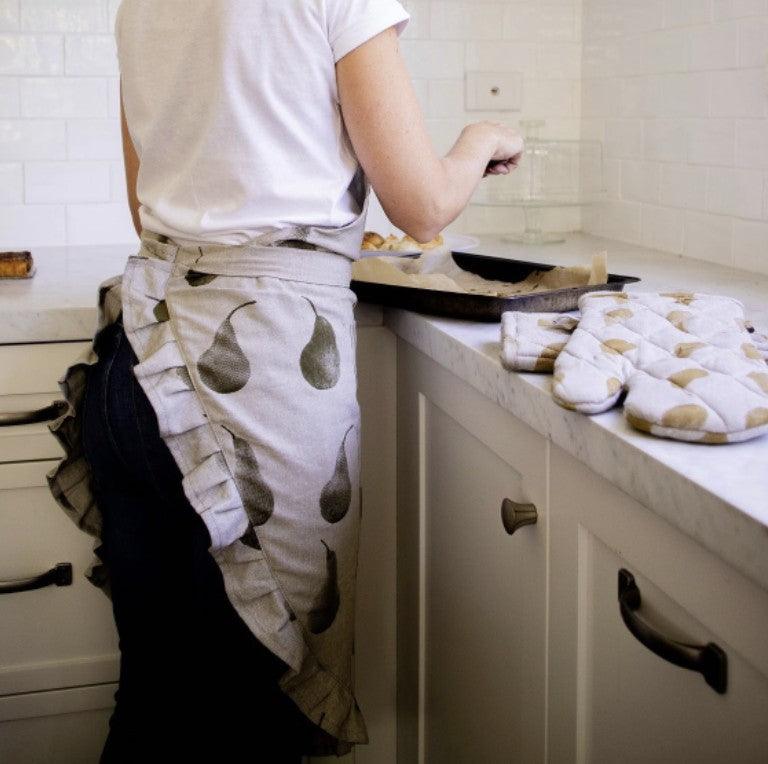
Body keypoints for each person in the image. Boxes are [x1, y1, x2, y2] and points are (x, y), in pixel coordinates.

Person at [80, 1, 524, 761]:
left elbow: (141, 204)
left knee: (154, 698)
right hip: (261, 381)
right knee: (263, 715)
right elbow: (421, 207)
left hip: (141, 359)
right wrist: (483, 139)